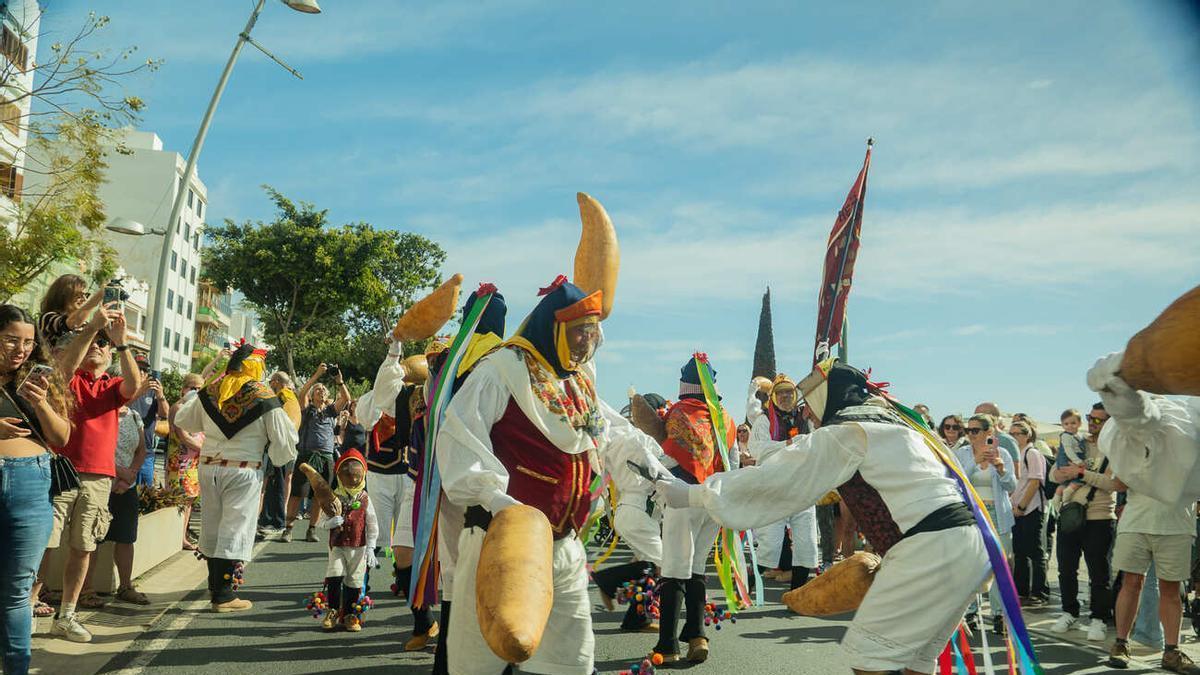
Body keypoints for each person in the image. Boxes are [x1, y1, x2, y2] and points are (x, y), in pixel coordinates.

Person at [656, 359, 990, 675]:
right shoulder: (905, 431)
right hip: (973, 547)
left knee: (869, 656)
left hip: (929, 549)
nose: (808, 414)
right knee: (918, 657)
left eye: (810, 404)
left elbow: (776, 480)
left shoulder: (848, 432)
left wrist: (692, 494)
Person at [437, 276, 666, 675]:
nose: (586, 341)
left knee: (569, 662)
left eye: (591, 332)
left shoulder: (578, 382)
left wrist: (660, 473)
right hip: (500, 542)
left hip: (565, 547)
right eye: (579, 331)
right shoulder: (501, 369)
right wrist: (500, 504)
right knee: (480, 662)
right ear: (553, 329)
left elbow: (611, 434)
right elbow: (460, 437)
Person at [174, 341, 299, 612]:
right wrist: (276, 456)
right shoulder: (263, 394)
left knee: (212, 526)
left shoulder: (212, 389)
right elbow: (285, 438)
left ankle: (214, 586)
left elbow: (184, 419)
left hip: (208, 467)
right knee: (234, 529)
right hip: (243, 470)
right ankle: (225, 595)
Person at [44, 302, 139, 643]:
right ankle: (25, 608)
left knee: (83, 547)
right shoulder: (71, 377)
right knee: (44, 543)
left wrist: (122, 340)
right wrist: (89, 330)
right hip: (59, 471)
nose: (97, 346)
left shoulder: (112, 387)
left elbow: (134, 385)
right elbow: (62, 372)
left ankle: (67, 615)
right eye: (93, 342)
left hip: (98, 477)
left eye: (103, 343)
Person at [651, 355, 738, 665]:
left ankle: (668, 644)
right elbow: (733, 462)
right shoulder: (725, 418)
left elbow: (666, 461)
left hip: (682, 498)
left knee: (674, 568)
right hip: (712, 500)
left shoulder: (677, 414)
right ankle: (698, 634)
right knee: (697, 568)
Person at [0, 305, 71, 674]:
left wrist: (41, 402)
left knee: (15, 591)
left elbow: (62, 437)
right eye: (11, 339)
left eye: (28, 342)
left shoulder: (38, 379)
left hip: (30, 485)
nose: (21, 349)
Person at [1107, 480, 1200, 672]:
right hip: (1137, 522)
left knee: (1171, 588)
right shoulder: (1135, 448)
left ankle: (1171, 652)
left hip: (1176, 525)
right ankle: (1121, 644)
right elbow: (1119, 480)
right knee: (1131, 583)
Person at [1049, 402, 1118, 641]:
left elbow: (1114, 484)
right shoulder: (1075, 440)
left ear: (1110, 422)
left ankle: (1099, 618)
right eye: (1090, 417)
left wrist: (1081, 474)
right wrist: (1060, 474)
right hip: (1070, 515)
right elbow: (1053, 473)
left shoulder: (1115, 448)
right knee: (1066, 569)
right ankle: (1069, 612)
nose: (1092, 423)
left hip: (1099, 516)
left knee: (1099, 572)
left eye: (1098, 420)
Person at [749, 374, 819, 590]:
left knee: (806, 542)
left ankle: (796, 594)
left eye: (789, 392)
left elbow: (818, 443)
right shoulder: (764, 420)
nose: (786, 396)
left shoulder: (806, 418)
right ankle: (746, 589)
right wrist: (788, 444)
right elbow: (757, 450)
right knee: (770, 542)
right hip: (775, 486)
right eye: (781, 392)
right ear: (773, 396)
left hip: (802, 487)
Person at [951, 414, 1016, 634]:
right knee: (972, 565)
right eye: (968, 431)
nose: (970, 435)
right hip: (971, 515)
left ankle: (998, 615)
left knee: (1000, 568)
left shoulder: (1003, 453)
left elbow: (1011, 486)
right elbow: (954, 483)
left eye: (975, 430)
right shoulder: (960, 454)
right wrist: (974, 463)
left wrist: (1000, 469)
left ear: (989, 433)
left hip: (998, 514)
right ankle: (970, 613)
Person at [86, 405, 150, 605]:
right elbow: (91, 448)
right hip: (99, 482)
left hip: (126, 486)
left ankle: (125, 586)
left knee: (126, 537)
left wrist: (129, 475)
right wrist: (120, 472)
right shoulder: (99, 411)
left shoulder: (134, 415)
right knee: (92, 539)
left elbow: (141, 450)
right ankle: (86, 590)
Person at [312, 449, 379, 632]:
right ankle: (332, 610)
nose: (353, 479)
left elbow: (372, 524)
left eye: (356, 475)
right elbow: (320, 521)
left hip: (359, 547)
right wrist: (330, 523)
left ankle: (350, 614)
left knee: (355, 580)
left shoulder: (365, 499)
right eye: (348, 475)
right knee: (335, 575)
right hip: (338, 545)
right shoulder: (334, 497)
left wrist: (371, 548)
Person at [284, 365, 350, 543]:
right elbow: (302, 392)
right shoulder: (306, 409)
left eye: (323, 390)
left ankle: (311, 529)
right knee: (298, 493)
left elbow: (346, 398)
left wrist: (339, 380)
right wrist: (318, 375)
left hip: (326, 457)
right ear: (313, 395)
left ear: (327, 395)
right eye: (317, 390)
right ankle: (288, 528)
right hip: (306, 456)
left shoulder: (330, 411)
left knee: (319, 496)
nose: (320, 391)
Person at [1009, 420, 1048, 606]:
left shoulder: (1032, 453)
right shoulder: (1015, 454)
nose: (1014, 437)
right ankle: (1022, 590)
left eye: (1017, 433)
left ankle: (1040, 591)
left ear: (1027, 435)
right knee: (1019, 552)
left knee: (1035, 551)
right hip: (1015, 509)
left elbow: (1035, 481)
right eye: (1012, 433)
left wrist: (1022, 506)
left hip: (1031, 508)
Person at [257, 370, 300, 539]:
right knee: (277, 484)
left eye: (271, 381)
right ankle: (272, 521)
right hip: (287, 445)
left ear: (276, 382)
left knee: (275, 485)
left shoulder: (281, 397)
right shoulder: (291, 397)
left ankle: (272, 522)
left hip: (279, 446)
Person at [167, 374, 205, 550]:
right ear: (183, 389)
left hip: (193, 462)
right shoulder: (178, 407)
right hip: (180, 462)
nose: (196, 391)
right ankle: (177, 538)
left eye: (199, 388)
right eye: (192, 387)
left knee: (189, 501)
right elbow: (183, 437)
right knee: (180, 500)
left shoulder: (197, 408)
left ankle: (181, 537)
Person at [126, 354, 168, 487]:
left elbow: (165, 414)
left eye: (145, 370)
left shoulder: (152, 392)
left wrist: (160, 396)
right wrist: (139, 390)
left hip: (147, 453)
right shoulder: (125, 388)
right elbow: (120, 406)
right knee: (123, 492)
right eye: (139, 368)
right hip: (125, 451)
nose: (142, 373)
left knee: (146, 492)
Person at [35, 274, 105, 348]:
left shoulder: (85, 325)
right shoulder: (48, 318)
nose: (84, 299)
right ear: (63, 295)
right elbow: (72, 323)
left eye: (86, 295)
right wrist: (98, 296)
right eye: (79, 295)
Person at [974, 402, 1020, 476]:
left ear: (992, 417)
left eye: (979, 416)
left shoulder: (1007, 441)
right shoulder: (976, 439)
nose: (975, 419)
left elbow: (1016, 474)